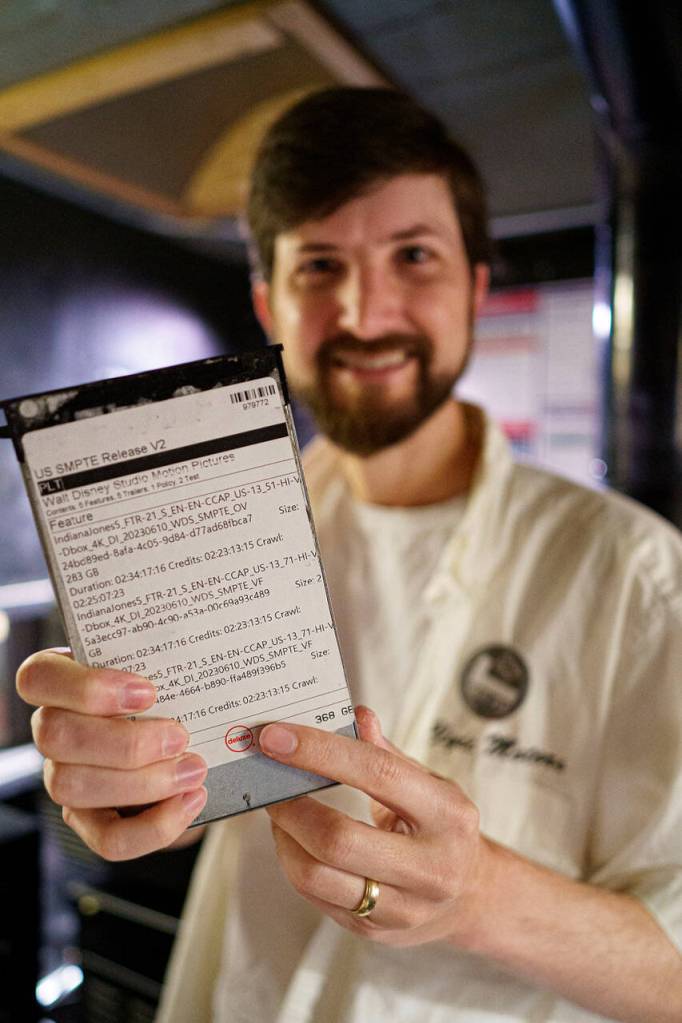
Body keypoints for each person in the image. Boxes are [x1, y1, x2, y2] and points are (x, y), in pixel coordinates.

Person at [17, 87, 682, 1023]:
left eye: (413, 255)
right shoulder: (212, 531)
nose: (365, 312)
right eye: (321, 265)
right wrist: (129, 783)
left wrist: (479, 896)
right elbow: (181, 791)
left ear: (475, 287)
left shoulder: (640, 577)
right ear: (269, 301)